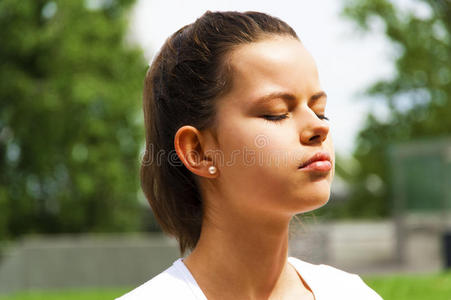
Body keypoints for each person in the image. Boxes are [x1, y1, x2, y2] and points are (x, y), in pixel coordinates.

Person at [117, 10, 383, 300]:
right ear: (199, 151)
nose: (318, 127)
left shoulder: (351, 293)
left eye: (320, 111)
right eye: (276, 114)